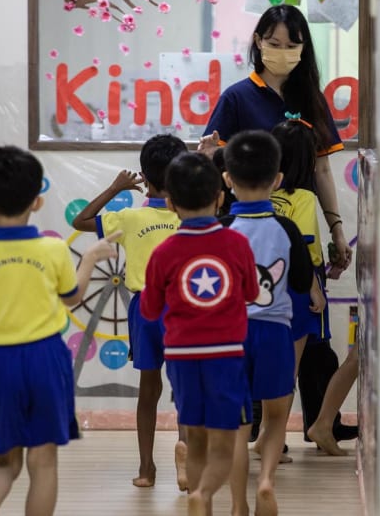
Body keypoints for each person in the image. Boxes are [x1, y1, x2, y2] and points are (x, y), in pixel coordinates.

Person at [0, 145, 120, 516]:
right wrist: (89, 258)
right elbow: (72, 298)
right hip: (45, 359)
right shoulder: (52, 250)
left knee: (4, 462)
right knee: (43, 463)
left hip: (0, 361)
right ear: (38, 202)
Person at [140, 152, 259, 516]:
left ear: (171, 203)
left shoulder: (163, 252)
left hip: (180, 358)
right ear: (221, 197)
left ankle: (199, 499)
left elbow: (148, 310)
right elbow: (252, 294)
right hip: (226, 355)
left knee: (194, 439)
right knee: (226, 445)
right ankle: (204, 492)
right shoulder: (237, 244)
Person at [71, 133, 189, 489]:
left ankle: (146, 469)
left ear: (144, 178)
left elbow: (81, 220)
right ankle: (187, 457)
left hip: (146, 310)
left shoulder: (129, 218)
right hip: (186, 308)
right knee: (185, 389)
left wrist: (115, 187)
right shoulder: (192, 216)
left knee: (148, 391)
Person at [198, 3, 352, 272]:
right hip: (248, 239)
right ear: (258, 41)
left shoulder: (312, 99)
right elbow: (215, 170)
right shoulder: (236, 98)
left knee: (307, 304)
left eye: (292, 45)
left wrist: (337, 231)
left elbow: (323, 171)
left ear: (304, 48)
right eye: (274, 43)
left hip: (302, 238)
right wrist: (207, 158)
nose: (283, 52)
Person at [220, 130, 314, 516]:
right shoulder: (287, 229)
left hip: (232, 335)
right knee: (276, 415)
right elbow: (300, 282)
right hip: (276, 332)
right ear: (277, 180)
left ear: (227, 179)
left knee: (239, 427)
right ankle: (267, 482)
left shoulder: (221, 230)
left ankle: (238, 504)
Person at [268, 118, 358, 453]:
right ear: (307, 160)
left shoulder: (261, 196)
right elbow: (304, 248)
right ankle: (274, 442)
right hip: (300, 291)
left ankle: (269, 436)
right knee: (288, 374)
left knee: (273, 369)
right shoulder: (304, 197)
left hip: (267, 290)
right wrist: (316, 285)